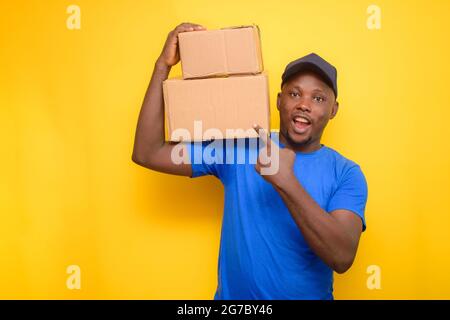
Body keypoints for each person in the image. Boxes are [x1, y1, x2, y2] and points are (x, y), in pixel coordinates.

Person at [132, 22, 368, 300]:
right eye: (294, 94)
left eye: (318, 98)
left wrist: (285, 180)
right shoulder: (241, 145)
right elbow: (147, 151)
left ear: (333, 110)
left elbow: (341, 257)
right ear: (279, 101)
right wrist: (163, 66)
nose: (304, 104)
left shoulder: (346, 174)